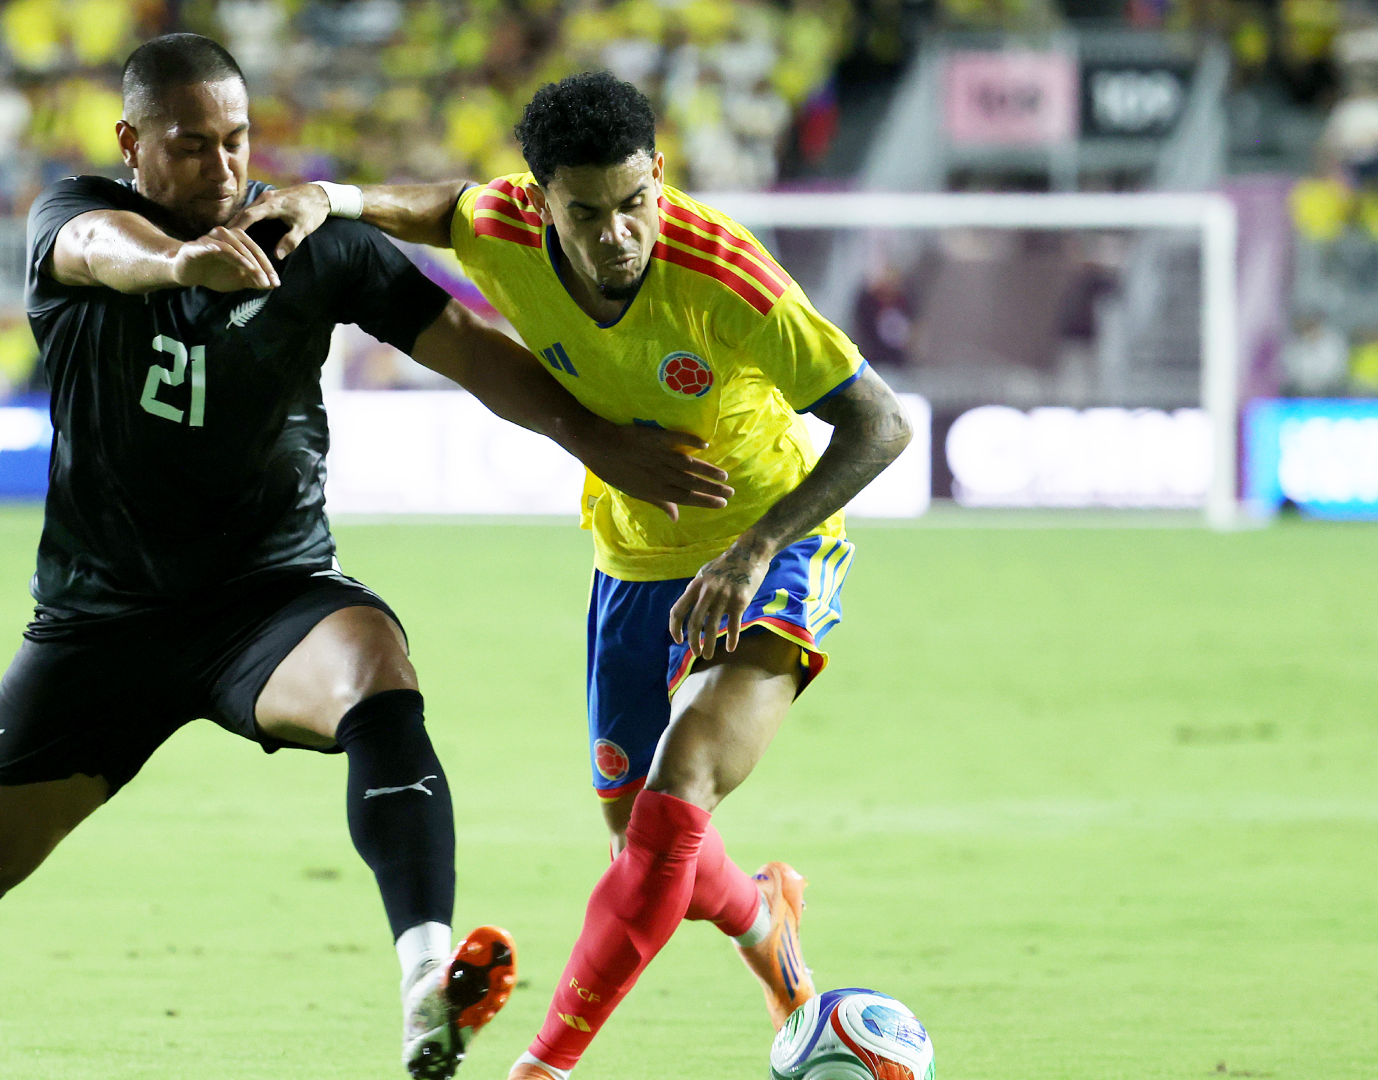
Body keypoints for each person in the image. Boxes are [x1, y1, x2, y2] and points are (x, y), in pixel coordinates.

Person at [0, 38, 731, 1080]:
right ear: (132, 144)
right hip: (102, 623)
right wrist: (181, 264)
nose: (225, 168)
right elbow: (101, 249)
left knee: (376, 669)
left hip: (269, 601)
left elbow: (469, 352)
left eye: (237, 140)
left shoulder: (308, 239)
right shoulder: (73, 216)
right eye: (192, 146)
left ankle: (423, 983)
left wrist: (599, 442)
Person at [235, 71, 914, 1080]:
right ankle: (763, 915)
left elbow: (881, 423)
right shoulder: (505, 228)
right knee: (643, 851)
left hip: (766, 547)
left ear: (659, 177)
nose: (616, 235)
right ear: (541, 199)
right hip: (634, 560)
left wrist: (758, 548)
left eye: (635, 202)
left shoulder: (729, 278)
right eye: (585, 212)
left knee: (678, 792)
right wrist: (335, 198)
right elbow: (441, 210)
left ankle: (541, 1068)